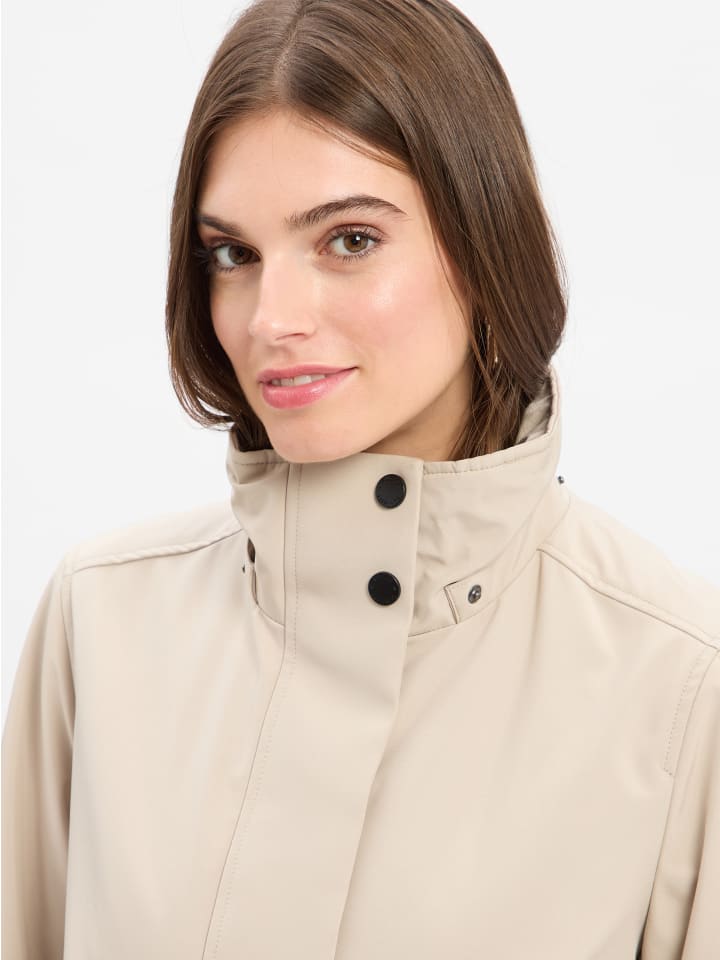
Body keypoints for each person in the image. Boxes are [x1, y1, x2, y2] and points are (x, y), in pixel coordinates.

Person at [3, 0, 718, 956]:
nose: (271, 317)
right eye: (233, 254)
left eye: (349, 240)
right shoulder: (101, 620)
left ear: (483, 244)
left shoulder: (677, 680)